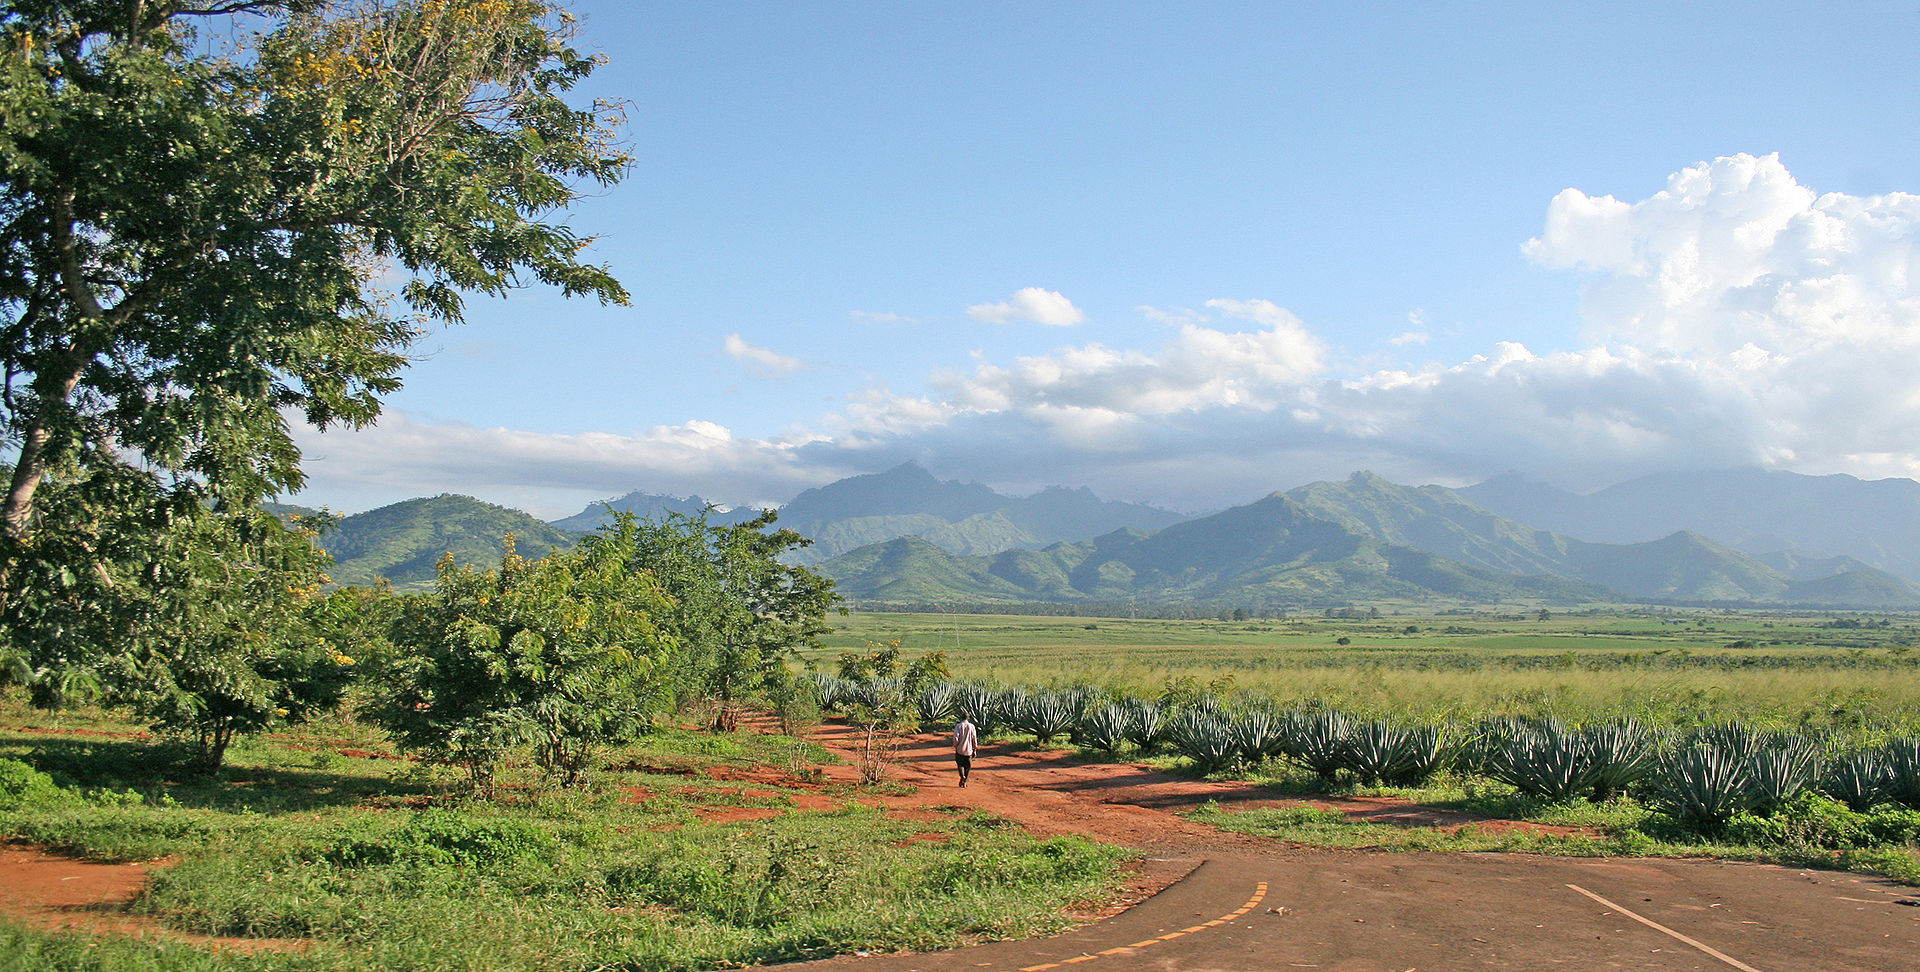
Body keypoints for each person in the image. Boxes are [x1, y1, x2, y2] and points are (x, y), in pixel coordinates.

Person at [952, 711, 978, 787]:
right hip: (969, 751)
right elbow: (974, 738)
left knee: (960, 764)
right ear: (968, 718)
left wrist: (955, 746)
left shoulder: (958, 726)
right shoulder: (972, 726)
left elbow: (956, 738)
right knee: (968, 766)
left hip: (960, 750)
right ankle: (965, 780)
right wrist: (975, 748)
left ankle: (962, 776)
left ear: (961, 718)